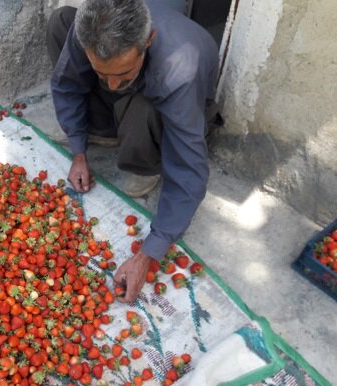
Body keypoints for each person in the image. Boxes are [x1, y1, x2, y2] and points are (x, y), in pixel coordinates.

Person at [46, 0, 222, 303]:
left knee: (143, 108)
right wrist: (78, 150)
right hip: (131, 84)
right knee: (60, 21)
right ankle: (105, 129)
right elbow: (67, 84)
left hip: (171, 109)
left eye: (124, 74)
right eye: (102, 75)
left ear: (148, 41)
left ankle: (145, 164)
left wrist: (147, 255)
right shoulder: (87, 30)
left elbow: (189, 169)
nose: (112, 85)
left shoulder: (178, 69)